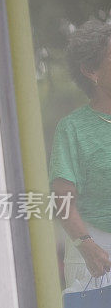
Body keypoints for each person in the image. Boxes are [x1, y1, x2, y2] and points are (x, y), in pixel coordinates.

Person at [51, 19, 111, 286]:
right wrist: (86, 246)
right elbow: (62, 201)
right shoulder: (72, 128)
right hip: (98, 260)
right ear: (90, 70)